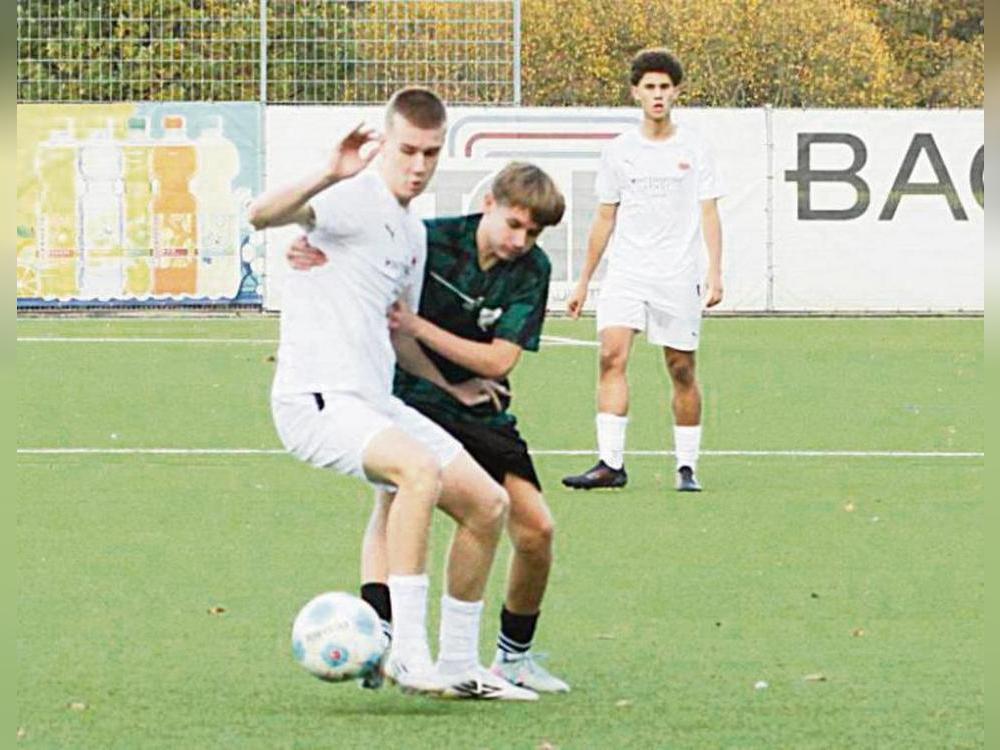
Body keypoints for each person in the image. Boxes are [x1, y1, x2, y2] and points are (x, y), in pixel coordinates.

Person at [250, 87, 536, 700]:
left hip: (375, 399)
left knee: (488, 506)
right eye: (408, 149)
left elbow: (397, 328)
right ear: (386, 142)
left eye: (430, 152)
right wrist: (328, 171)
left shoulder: (411, 231)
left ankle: (459, 666)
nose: (418, 165)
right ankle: (404, 650)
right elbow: (261, 214)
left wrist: (451, 388)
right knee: (417, 471)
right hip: (316, 398)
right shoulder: (350, 197)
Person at [288, 162, 570, 693]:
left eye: (533, 232)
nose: (520, 240)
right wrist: (308, 250)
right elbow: (355, 255)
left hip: (476, 405)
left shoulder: (533, 270)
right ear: (489, 202)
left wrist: (420, 328)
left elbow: (498, 361)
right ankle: (385, 640)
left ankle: (511, 657)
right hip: (409, 395)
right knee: (396, 497)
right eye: (514, 224)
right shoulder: (430, 240)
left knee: (536, 529)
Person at [561, 48, 725, 493]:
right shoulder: (619, 152)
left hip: (677, 274)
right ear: (636, 92)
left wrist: (716, 272)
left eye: (664, 88)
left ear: (676, 93)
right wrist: (584, 282)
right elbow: (605, 218)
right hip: (627, 273)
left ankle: (686, 466)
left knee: (681, 368)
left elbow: (709, 212)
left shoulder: (695, 148)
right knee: (611, 355)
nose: (657, 95)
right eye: (649, 87)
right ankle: (610, 464)